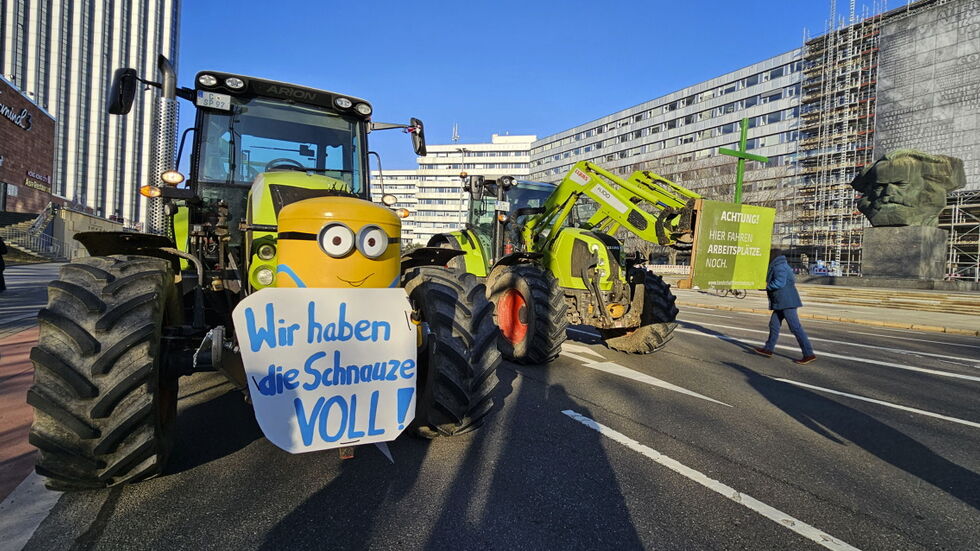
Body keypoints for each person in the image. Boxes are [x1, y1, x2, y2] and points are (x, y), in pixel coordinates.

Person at [754, 250, 816, 364]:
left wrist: (765, 286)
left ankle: (809, 354)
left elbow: (779, 283)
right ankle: (768, 349)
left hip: (787, 302)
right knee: (773, 324)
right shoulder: (780, 264)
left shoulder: (779, 266)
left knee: (795, 328)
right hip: (781, 302)